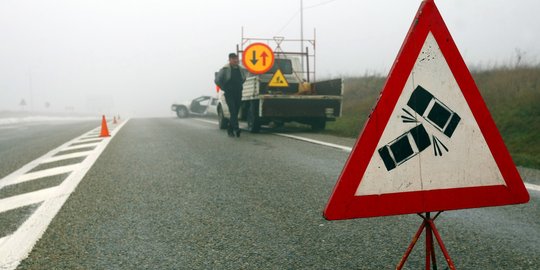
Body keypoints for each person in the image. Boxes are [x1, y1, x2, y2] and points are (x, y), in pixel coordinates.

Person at [214, 53, 247, 137]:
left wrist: (239, 85)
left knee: (235, 112)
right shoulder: (225, 69)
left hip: (238, 92)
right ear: (230, 60)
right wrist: (224, 87)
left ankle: (230, 128)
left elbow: (243, 78)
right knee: (232, 110)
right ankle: (236, 129)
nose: (236, 60)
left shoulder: (241, 69)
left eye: (236, 59)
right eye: (233, 59)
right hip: (229, 93)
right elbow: (217, 80)